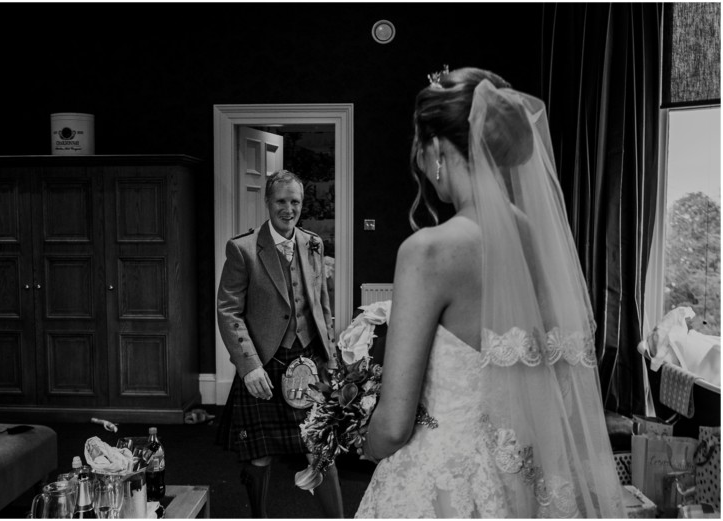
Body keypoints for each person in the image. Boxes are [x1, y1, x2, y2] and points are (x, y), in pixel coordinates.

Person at [356, 67, 626, 518]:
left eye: (420, 150)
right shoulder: (538, 241)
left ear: (437, 148)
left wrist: (352, 439)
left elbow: (394, 425)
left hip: (444, 485)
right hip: (519, 475)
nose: (421, 164)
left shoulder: (429, 250)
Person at [216, 170, 344, 518]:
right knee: (260, 452)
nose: (289, 209)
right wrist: (250, 366)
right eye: (281, 201)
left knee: (321, 447)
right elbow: (228, 311)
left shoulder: (313, 242)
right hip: (267, 363)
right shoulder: (242, 249)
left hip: (310, 359)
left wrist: (330, 359)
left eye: (295, 202)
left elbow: (321, 304)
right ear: (268, 203)